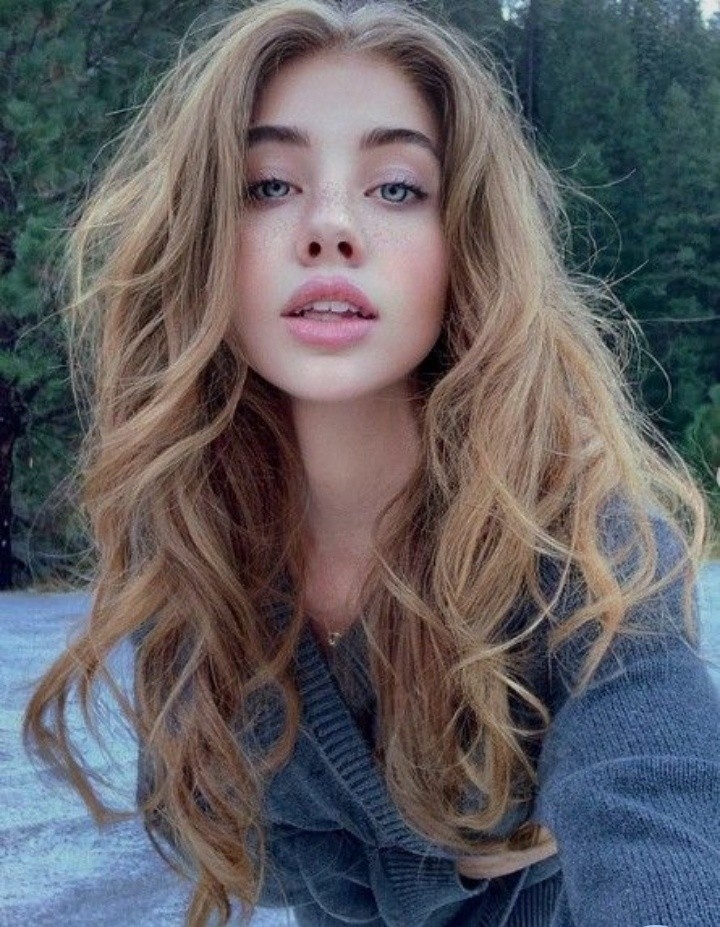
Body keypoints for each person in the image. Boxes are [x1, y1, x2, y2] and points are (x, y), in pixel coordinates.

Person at [24, 0, 720, 924]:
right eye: (269, 185)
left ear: (464, 242)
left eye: (395, 188)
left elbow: (661, 809)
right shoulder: (196, 540)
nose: (330, 226)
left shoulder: (590, 547)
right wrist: (466, 858)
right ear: (203, 243)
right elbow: (218, 837)